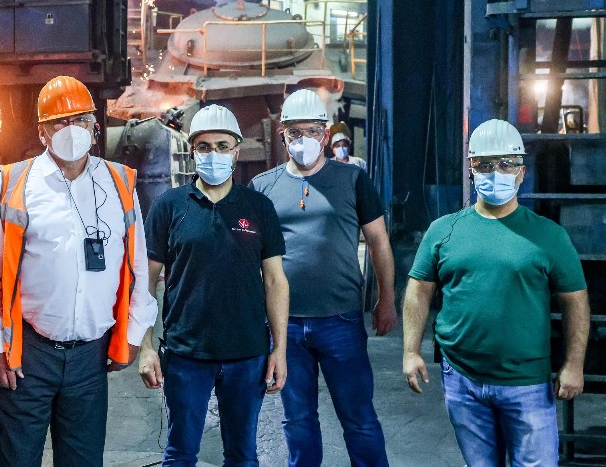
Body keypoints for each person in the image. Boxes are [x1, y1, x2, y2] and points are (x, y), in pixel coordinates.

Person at [0, 75, 158, 466]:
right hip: (26, 353)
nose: (71, 130)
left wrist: (135, 331)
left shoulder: (119, 183)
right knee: (18, 459)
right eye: (59, 122)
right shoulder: (12, 183)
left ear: (95, 128)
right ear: (42, 132)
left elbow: (136, 263)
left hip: (91, 357)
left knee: (82, 460)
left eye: (81, 120)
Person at [403, 118, 589, 466]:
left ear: (522, 172)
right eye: (484, 165)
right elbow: (418, 290)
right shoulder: (444, 231)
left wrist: (574, 364)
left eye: (507, 164)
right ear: (471, 170)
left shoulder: (548, 236)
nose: (496, 173)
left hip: (527, 383)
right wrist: (411, 351)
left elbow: (575, 301)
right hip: (462, 380)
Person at [249, 89, 396, 467]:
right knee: (297, 420)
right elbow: (252, 259)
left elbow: (378, 242)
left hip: (341, 320)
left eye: (312, 131)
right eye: (295, 132)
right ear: (282, 135)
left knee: (359, 419)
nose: (304, 140)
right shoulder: (263, 188)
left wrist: (387, 299)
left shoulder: (352, 180)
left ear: (326, 135)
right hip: (285, 327)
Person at [138, 104, 290, 466]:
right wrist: (145, 346)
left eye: (223, 146)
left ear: (236, 150)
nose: (214, 154)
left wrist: (279, 349)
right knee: (180, 454)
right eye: (204, 146)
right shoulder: (169, 206)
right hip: (186, 355)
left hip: (247, 354)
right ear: (192, 150)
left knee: (242, 456)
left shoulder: (258, 207)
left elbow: (275, 280)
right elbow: (144, 281)